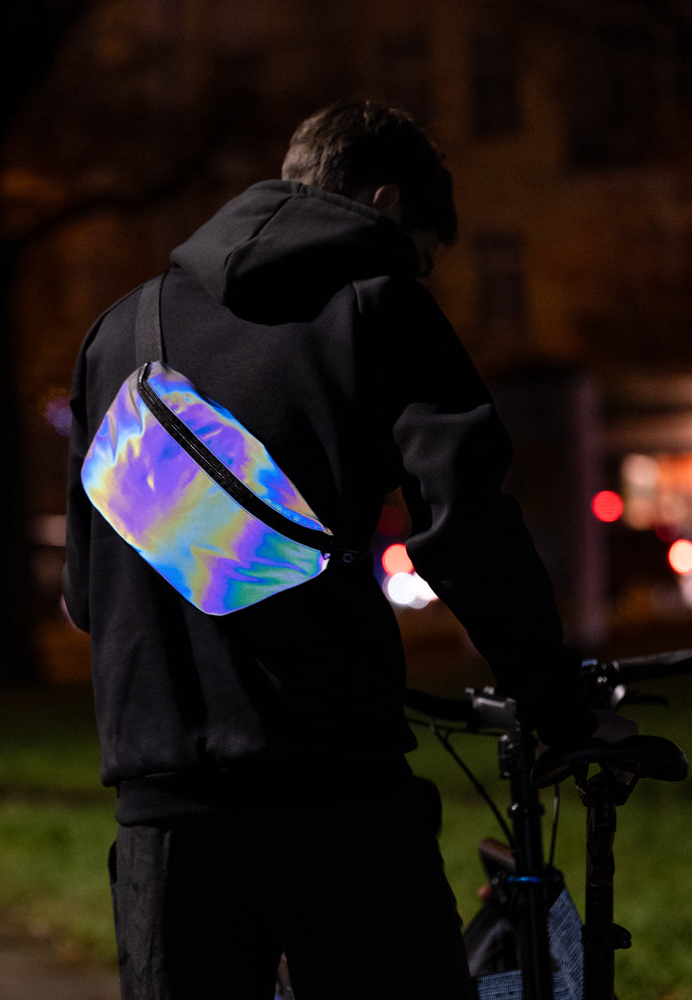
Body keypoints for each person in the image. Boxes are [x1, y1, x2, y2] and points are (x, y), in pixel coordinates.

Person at [63, 99, 602, 1000]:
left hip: (161, 811)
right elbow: (465, 527)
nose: (420, 271)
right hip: (333, 793)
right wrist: (557, 703)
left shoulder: (120, 330)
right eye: (423, 249)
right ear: (384, 202)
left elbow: (86, 592)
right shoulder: (380, 306)